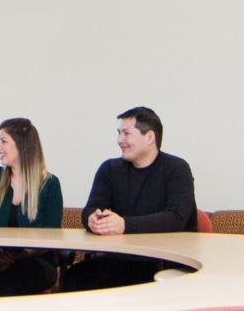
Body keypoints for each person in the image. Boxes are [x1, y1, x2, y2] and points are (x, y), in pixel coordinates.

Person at [62, 106, 197, 291]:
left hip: (163, 263)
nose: (119, 140)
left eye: (126, 133)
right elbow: (91, 208)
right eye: (118, 133)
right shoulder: (109, 169)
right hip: (118, 259)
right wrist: (93, 219)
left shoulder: (176, 168)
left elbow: (176, 218)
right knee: (74, 278)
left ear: (149, 137)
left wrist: (124, 225)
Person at [0, 117, 63, 297]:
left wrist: (20, 256)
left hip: (35, 260)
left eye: (3, 141)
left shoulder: (50, 184)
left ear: (22, 146)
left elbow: (52, 235)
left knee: (13, 278)